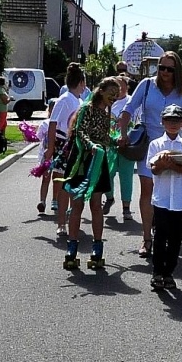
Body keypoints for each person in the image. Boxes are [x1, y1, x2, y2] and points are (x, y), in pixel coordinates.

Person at [116, 51, 182, 258]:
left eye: (169, 69)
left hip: (174, 146)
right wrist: (123, 133)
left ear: (177, 71)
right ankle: (147, 238)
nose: (164, 72)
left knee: (167, 189)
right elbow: (128, 109)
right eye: (161, 67)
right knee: (147, 189)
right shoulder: (147, 85)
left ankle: (164, 229)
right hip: (149, 144)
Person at [62, 77, 122, 272]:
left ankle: (97, 248)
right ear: (101, 91)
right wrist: (91, 146)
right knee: (77, 204)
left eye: (117, 94)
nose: (114, 97)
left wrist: (116, 142)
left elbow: (104, 138)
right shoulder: (86, 109)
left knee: (96, 205)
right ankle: (72, 248)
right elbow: (81, 132)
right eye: (111, 93)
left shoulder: (106, 114)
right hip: (82, 161)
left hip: (98, 161)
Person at [146, 105, 182, 291]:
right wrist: (162, 164)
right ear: (162, 122)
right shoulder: (156, 144)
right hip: (161, 197)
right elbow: (153, 169)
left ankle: (169, 272)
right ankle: (157, 272)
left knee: (176, 236)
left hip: (180, 199)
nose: (173, 124)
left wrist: (172, 165)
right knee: (160, 235)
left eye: (177, 121)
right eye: (169, 120)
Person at [45, 63, 89, 237]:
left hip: (77, 145)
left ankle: (72, 218)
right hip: (64, 145)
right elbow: (53, 123)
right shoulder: (64, 99)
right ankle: (61, 222)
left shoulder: (79, 101)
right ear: (81, 82)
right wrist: (50, 148)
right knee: (64, 185)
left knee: (75, 185)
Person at [105, 74, 136, 221]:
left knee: (126, 176)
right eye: (115, 87)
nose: (118, 90)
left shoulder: (132, 102)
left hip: (127, 145)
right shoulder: (107, 102)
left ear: (126, 87)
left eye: (121, 87)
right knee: (107, 173)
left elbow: (137, 122)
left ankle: (126, 208)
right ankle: (109, 197)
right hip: (110, 144)